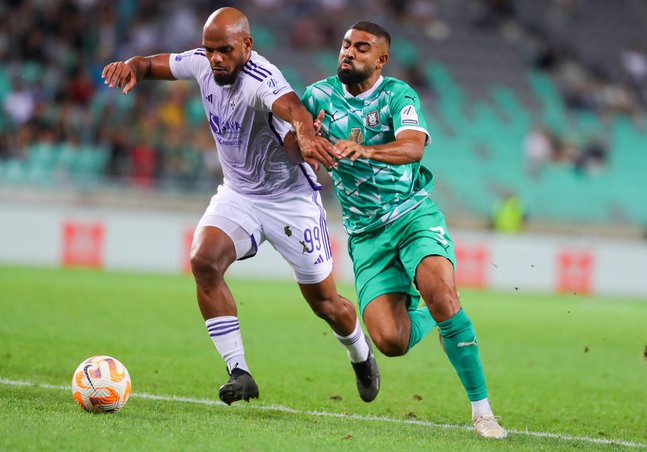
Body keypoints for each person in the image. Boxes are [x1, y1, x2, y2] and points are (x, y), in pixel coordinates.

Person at [101, 7, 379, 406]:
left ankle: (360, 354)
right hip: (240, 195)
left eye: (225, 50)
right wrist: (134, 66)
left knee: (326, 304)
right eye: (209, 49)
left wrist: (303, 133)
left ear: (247, 46)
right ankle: (239, 371)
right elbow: (153, 64)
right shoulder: (202, 64)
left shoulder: (262, 80)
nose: (215, 58)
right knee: (203, 260)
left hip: (291, 203)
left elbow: (292, 109)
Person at [285, 21, 507, 439]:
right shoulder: (316, 96)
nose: (348, 52)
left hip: (411, 216)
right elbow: (288, 148)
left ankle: (482, 411)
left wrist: (365, 149)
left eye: (361, 48)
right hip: (366, 236)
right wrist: (303, 137)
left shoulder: (397, 95)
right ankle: (441, 318)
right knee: (391, 341)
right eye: (346, 44)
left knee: (443, 295)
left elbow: (413, 146)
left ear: (381, 59)